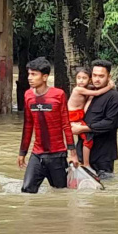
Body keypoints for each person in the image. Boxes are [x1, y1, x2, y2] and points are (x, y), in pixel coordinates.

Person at [17, 57, 79, 193]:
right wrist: (22, 152)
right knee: (27, 190)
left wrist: (72, 153)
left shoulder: (58, 95)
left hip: (57, 155)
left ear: (44, 77)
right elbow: (28, 126)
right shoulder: (28, 95)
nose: (29, 78)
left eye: (34, 74)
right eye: (29, 74)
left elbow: (66, 125)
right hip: (37, 154)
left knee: (61, 191)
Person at [70, 60, 118, 176]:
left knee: (104, 190)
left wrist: (84, 129)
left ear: (109, 77)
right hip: (81, 153)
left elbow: (112, 122)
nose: (97, 79)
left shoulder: (114, 97)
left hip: (102, 156)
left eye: (101, 76)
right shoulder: (88, 92)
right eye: (94, 75)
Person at [68, 67, 114, 170]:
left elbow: (95, 87)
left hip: (77, 115)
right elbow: (97, 93)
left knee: (82, 138)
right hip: (73, 116)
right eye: (78, 78)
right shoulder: (78, 89)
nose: (80, 80)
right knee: (87, 139)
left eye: (84, 78)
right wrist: (109, 87)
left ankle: (76, 158)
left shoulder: (87, 87)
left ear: (89, 80)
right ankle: (86, 163)